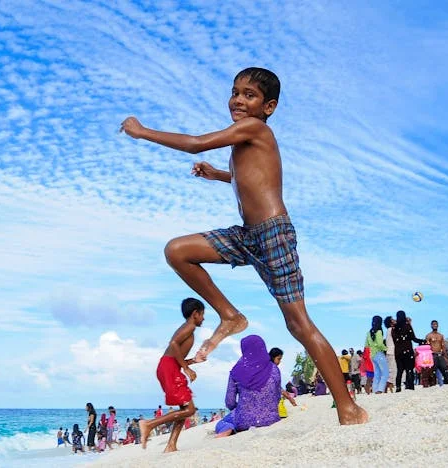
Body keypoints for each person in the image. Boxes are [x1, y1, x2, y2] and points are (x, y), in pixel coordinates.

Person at [120, 67, 367, 426]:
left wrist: (142, 132)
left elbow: (195, 142)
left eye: (249, 95)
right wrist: (219, 175)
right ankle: (230, 315)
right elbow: (250, 178)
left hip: (272, 235)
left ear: (269, 106)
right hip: (246, 236)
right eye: (235, 92)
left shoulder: (256, 128)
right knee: (177, 250)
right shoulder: (244, 139)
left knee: (298, 324)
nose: (238, 99)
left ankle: (347, 407)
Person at [137, 298, 204, 452]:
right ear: (195, 314)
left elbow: (175, 357)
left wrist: (194, 361)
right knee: (190, 410)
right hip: (169, 368)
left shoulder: (188, 328)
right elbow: (173, 344)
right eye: (202, 314)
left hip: (168, 366)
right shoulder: (190, 327)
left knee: (183, 408)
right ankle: (148, 424)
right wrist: (187, 370)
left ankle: (171, 445)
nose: (203, 318)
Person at [215, 335, 287, 437]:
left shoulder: (236, 371)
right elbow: (277, 396)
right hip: (271, 419)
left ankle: (228, 429)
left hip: (244, 421)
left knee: (222, 423)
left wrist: (245, 407)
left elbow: (229, 402)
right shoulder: (274, 369)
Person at [392, 311, 424, 391]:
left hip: (398, 352)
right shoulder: (407, 326)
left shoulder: (394, 328)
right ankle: (410, 386)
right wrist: (422, 341)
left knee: (400, 370)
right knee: (409, 369)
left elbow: (394, 340)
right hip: (407, 350)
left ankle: (398, 387)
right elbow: (413, 338)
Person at [365, 315, 388, 394]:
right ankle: (380, 389)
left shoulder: (368, 332)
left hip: (372, 355)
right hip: (379, 353)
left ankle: (375, 390)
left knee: (377, 373)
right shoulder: (379, 331)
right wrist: (386, 349)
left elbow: (367, 345)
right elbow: (380, 344)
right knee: (385, 373)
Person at [425, 320, 448, 386]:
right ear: (431, 326)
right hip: (432, 355)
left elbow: (443, 346)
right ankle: (432, 385)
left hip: (440, 355)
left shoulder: (441, 336)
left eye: (436, 324)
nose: (435, 325)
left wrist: (446, 357)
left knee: (445, 369)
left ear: (438, 325)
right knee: (432, 372)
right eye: (433, 324)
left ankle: (446, 384)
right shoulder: (428, 336)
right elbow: (427, 347)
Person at [384, 316, 397, 393]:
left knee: (391, 370)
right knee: (392, 370)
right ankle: (388, 387)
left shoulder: (389, 330)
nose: (394, 320)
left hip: (390, 352)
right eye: (392, 320)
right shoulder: (392, 330)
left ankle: (388, 387)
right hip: (392, 352)